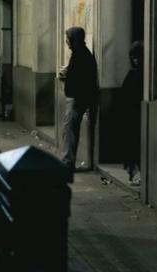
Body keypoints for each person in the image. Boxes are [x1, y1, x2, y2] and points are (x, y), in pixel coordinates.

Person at [58, 27, 98, 170]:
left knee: (70, 130)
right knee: (69, 130)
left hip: (77, 99)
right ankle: (67, 160)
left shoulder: (81, 55)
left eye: (68, 39)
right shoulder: (79, 54)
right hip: (76, 98)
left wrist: (66, 76)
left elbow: (82, 79)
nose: (66, 42)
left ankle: (67, 162)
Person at [121, 41, 144, 184]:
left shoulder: (141, 75)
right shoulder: (132, 73)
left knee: (135, 145)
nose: (135, 60)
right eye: (133, 57)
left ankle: (136, 172)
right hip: (130, 115)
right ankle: (132, 171)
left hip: (136, 115)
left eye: (137, 57)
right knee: (131, 145)